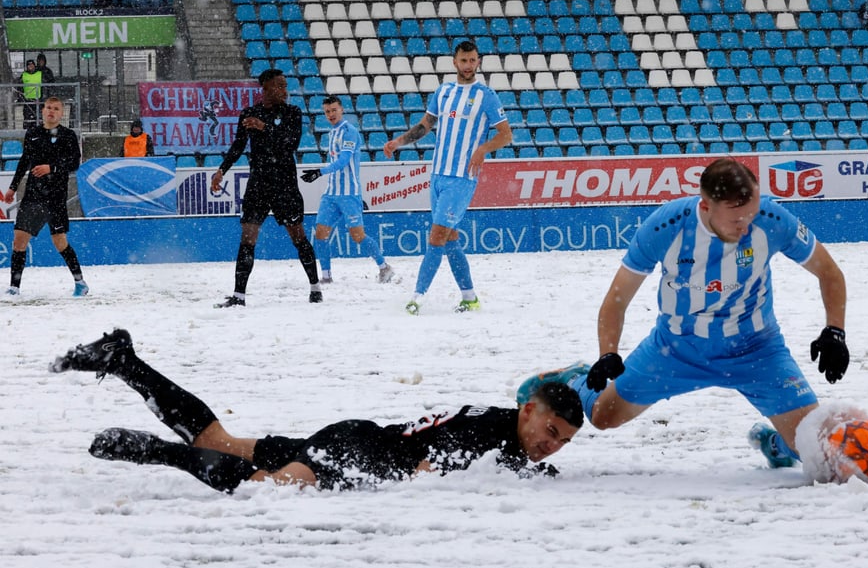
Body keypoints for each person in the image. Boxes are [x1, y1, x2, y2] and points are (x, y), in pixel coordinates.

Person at [517, 158, 852, 477]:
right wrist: (608, 353)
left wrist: (835, 331)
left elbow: (830, 273)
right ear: (705, 206)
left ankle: (777, 445)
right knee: (603, 417)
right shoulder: (665, 226)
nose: (747, 226)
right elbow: (615, 301)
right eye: (736, 220)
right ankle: (576, 378)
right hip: (675, 350)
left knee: (817, 452)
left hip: (756, 351)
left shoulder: (773, 220)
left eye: (750, 216)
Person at [49, 329, 583, 493]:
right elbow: (427, 473)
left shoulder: (500, 424)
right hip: (360, 451)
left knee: (219, 442)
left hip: (359, 438)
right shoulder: (489, 432)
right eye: (550, 431)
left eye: (560, 442)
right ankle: (158, 451)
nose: (550, 444)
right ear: (530, 410)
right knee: (268, 486)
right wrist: (517, 473)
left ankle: (125, 362)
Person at [383, 40, 512, 315]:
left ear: (479, 62)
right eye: (463, 60)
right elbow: (425, 125)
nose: (468, 65)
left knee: (437, 235)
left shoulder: (486, 95)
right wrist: (399, 142)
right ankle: (470, 297)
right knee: (450, 237)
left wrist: (482, 149)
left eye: (473, 60)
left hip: (462, 178)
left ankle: (416, 298)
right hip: (438, 174)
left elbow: (505, 135)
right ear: (455, 62)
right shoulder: (443, 92)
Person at [210, 69, 323, 307]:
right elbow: (238, 146)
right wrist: (221, 170)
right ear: (265, 88)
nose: (284, 90)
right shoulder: (250, 114)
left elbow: (290, 143)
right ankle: (239, 296)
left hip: (285, 184)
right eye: (279, 86)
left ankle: (315, 288)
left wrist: (265, 127)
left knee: (298, 236)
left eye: (285, 85)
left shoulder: (292, 113)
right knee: (247, 237)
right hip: (259, 184)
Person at [299, 95, 394, 284]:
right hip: (331, 194)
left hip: (349, 193)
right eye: (327, 111)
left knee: (358, 236)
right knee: (320, 234)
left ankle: (384, 267)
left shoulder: (350, 132)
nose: (331, 114)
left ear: (342, 110)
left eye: (334, 110)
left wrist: (319, 172)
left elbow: (343, 161)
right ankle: (326, 276)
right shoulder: (331, 133)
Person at [3, 97, 88, 297]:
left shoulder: (68, 136)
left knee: (59, 241)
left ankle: (80, 282)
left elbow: (75, 163)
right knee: (19, 239)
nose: (51, 111)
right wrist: (13, 188)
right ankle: (14, 287)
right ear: (42, 111)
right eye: (48, 107)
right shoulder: (33, 134)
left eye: (56, 109)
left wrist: (52, 168)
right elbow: (24, 162)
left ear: (61, 113)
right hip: (33, 195)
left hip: (55, 197)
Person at [19, 59, 43, 129]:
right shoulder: (24, 75)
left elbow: (46, 87)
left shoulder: (40, 73)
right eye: (29, 65)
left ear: (34, 65)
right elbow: (19, 87)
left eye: (32, 64)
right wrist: (21, 97)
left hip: (38, 100)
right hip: (27, 101)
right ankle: (27, 133)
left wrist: (44, 98)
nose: (30, 66)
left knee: (38, 119)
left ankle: (39, 134)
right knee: (27, 119)